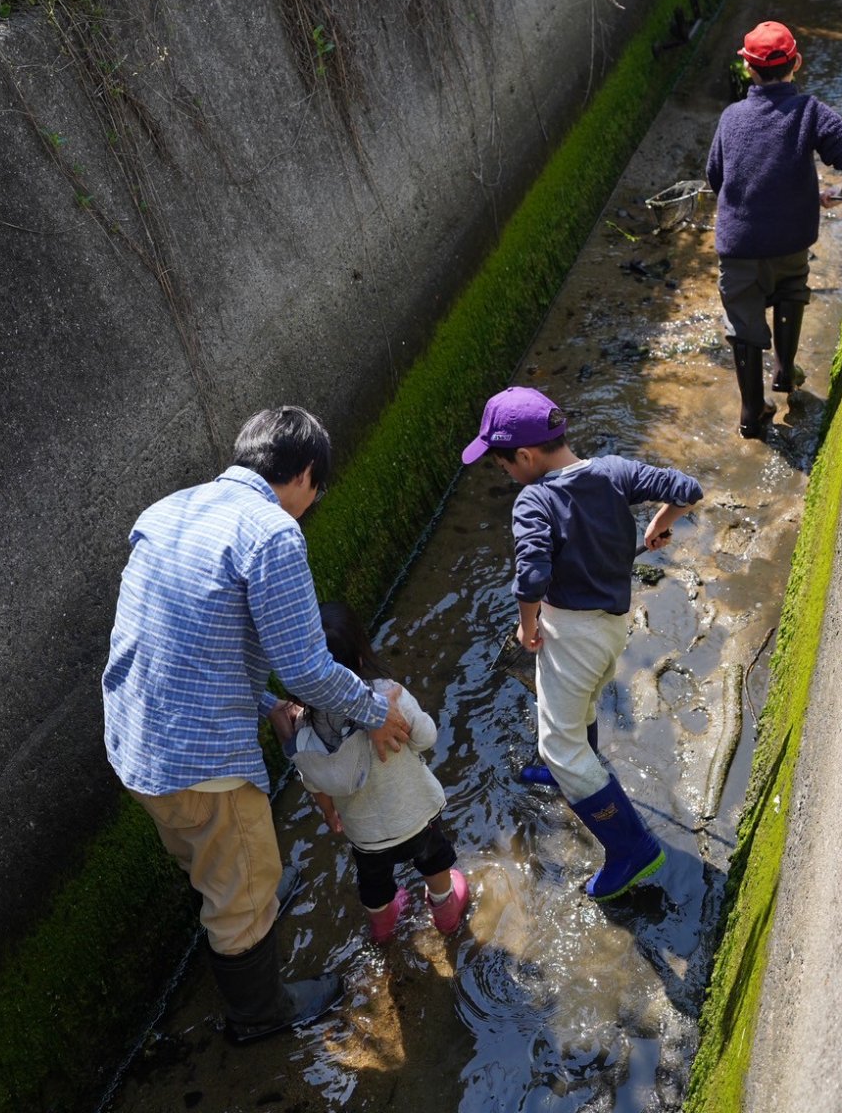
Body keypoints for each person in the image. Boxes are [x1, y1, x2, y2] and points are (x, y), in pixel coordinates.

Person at [102, 406, 412, 1045]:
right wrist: (376, 712)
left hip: (134, 740)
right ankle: (259, 1013)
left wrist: (262, 703)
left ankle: (241, 895)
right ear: (304, 475)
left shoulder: (167, 509)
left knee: (203, 850)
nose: (312, 504)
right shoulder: (272, 533)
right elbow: (307, 669)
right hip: (200, 763)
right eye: (316, 491)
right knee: (243, 889)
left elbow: (190, 641)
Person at [461, 386, 702, 902]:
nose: (505, 473)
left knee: (558, 741)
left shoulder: (534, 499)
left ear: (524, 456)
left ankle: (631, 846)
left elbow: (531, 577)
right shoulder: (614, 470)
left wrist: (528, 625)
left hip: (569, 632)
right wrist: (662, 522)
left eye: (502, 463)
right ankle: (567, 764)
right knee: (580, 701)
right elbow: (687, 487)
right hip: (612, 625)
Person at [706, 20, 842, 438]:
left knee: (742, 321)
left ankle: (752, 411)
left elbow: (715, 178)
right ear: (796, 62)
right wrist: (838, 195)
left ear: (748, 69)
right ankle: (783, 371)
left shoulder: (731, 117)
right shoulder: (811, 111)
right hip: (790, 241)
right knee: (791, 290)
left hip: (738, 244)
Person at [285, 601, 469, 943]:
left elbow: (312, 779)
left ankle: (384, 924)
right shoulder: (388, 696)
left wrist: (329, 811)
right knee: (435, 863)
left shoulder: (306, 726)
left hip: (366, 834)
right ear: (358, 657)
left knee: (373, 882)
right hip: (416, 817)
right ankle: (445, 910)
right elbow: (426, 737)